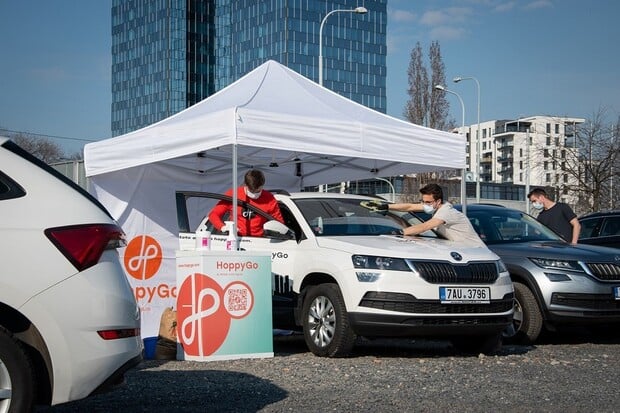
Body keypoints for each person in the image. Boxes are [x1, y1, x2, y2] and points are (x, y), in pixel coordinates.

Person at [364, 183, 484, 246]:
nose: (424, 204)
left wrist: (400, 232)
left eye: (427, 202)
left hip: (474, 251)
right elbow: (410, 206)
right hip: (460, 250)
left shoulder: (446, 212)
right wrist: (387, 206)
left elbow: (425, 226)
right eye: (423, 201)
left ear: (438, 201)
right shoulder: (434, 207)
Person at [208, 169, 284, 237]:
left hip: (259, 240)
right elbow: (213, 214)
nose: (254, 194)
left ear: (263, 185)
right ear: (245, 185)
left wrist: (273, 231)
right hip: (236, 238)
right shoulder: (233, 194)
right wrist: (223, 227)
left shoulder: (269, 198)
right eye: (251, 191)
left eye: (258, 191)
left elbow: (279, 223)